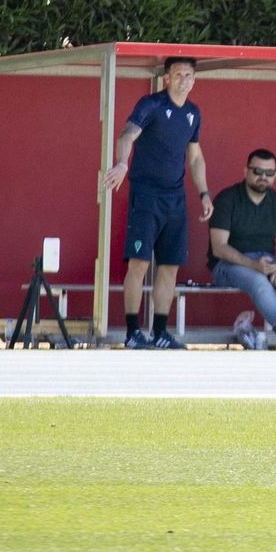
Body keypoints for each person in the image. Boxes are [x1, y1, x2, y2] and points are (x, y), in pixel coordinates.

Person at [99, 56, 211, 350]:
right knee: (139, 263)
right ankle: (133, 332)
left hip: (175, 199)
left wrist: (204, 192)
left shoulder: (193, 113)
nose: (183, 79)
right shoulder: (151, 104)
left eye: (188, 75)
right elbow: (127, 135)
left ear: (194, 80)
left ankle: (160, 332)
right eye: (178, 74)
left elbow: (195, 157)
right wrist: (122, 163)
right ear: (166, 78)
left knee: (170, 266)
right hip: (146, 197)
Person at [207, 148, 276, 349]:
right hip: (228, 265)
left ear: (275, 175)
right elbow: (219, 247)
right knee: (259, 280)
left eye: (269, 173)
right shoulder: (227, 198)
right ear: (246, 171)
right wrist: (253, 265)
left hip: (268, 262)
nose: (263, 177)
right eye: (257, 171)